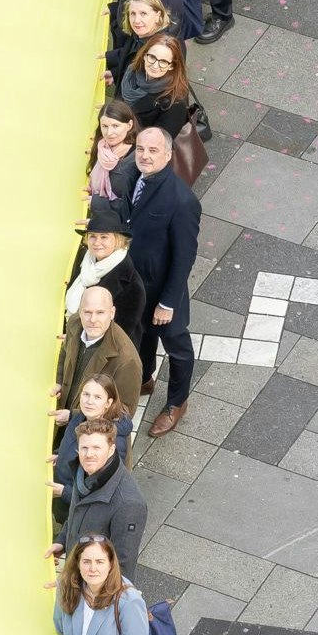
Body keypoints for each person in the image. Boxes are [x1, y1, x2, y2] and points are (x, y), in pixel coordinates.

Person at [124, 124, 198, 434]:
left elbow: (184, 257)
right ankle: (144, 379)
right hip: (136, 282)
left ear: (168, 155)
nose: (144, 155)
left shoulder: (181, 200)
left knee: (176, 345)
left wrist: (168, 302)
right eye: (140, 149)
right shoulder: (131, 175)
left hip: (164, 289)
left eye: (153, 150)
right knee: (141, 334)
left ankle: (176, 403)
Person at [55, 419, 148, 569]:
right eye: (84, 447)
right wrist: (62, 541)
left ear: (111, 450)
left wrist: (81, 590)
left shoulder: (129, 504)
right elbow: (77, 513)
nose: (89, 454)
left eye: (96, 448)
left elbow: (122, 567)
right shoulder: (82, 472)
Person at [69, 197, 150, 367]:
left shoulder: (132, 285)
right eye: (92, 237)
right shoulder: (85, 261)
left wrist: (76, 339)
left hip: (108, 359)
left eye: (104, 237)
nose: (97, 243)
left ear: (118, 240)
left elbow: (120, 333)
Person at [57, 282, 144, 433]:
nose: (92, 319)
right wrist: (59, 382)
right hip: (63, 416)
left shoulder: (127, 360)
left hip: (91, 436)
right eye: (87, 312)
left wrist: (74, 417)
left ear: (112, 313)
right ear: (80, 311)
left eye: (100, 313)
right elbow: (65, 353)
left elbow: (123, 415)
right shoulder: (74, 324)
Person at [118, 33, 200, 142]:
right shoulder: (131, 72)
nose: (155, 66)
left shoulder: (175, 101)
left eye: (163, 62)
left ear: (171, 66)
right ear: (144, 55)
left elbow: (158, 143)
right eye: (152, 57)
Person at [84, 105, 141, 202]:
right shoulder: (101, 146)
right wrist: (94, 190)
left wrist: (99, 204)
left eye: (115, 126)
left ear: (129, 125)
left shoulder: (139, 158)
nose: (109, 133)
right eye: (105, 126)